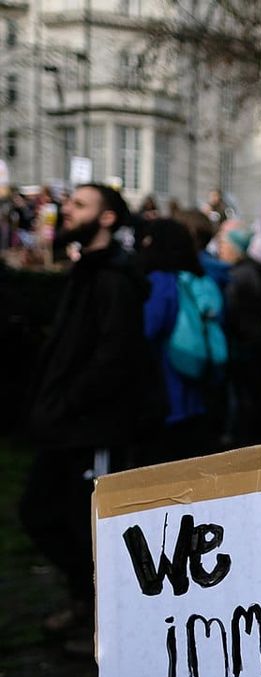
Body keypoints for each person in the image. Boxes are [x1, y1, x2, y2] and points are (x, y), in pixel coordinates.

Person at [19, 183, 156, 642]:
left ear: (107, 218)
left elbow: (114, 357)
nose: (67, 210)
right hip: (68, 424)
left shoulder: (114, 278)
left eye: (80, 204)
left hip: (90, 427)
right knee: (45, 513)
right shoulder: (89, 272)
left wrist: (68, 401)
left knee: (85, 525)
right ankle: (89, 603)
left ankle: (105, 618)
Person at [140, 217, 223, 462]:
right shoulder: (203, 279)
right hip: (197, 385)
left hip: (168, 388)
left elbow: (149, 329)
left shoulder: (161, 281)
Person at [217, 228, 261, 447]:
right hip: (252, 341)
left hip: (241, 343)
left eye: (224, 245)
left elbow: (234, 311)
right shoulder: (255, 269)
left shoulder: (239, 275)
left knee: (239, 397)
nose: (220, 249)